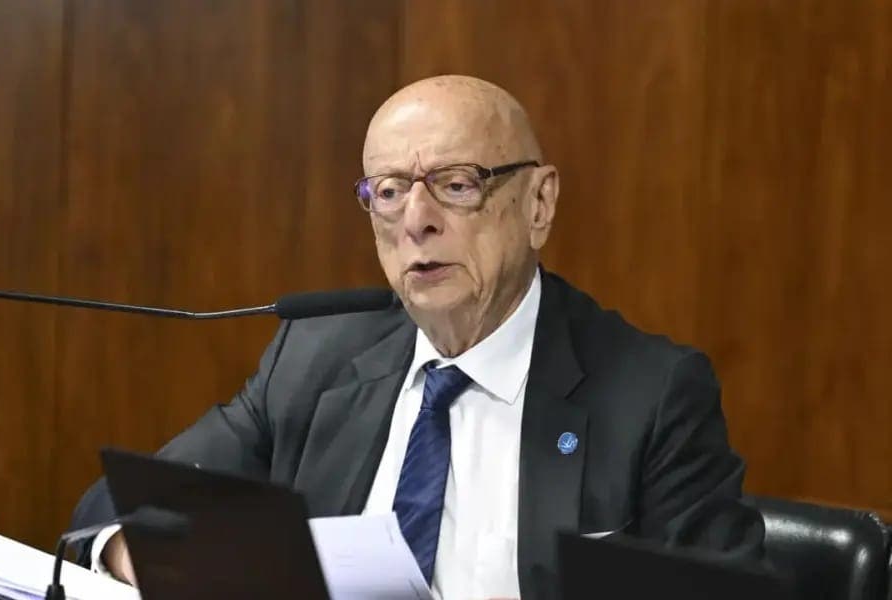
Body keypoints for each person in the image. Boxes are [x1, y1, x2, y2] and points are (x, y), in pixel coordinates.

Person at [70, 75, 764, 600]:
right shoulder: (315, 358)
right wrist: (144, 552)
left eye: (456, 185)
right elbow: (117, 504)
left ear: (539, 204)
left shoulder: (650, 395)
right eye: (390, 191)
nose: (416, 220)